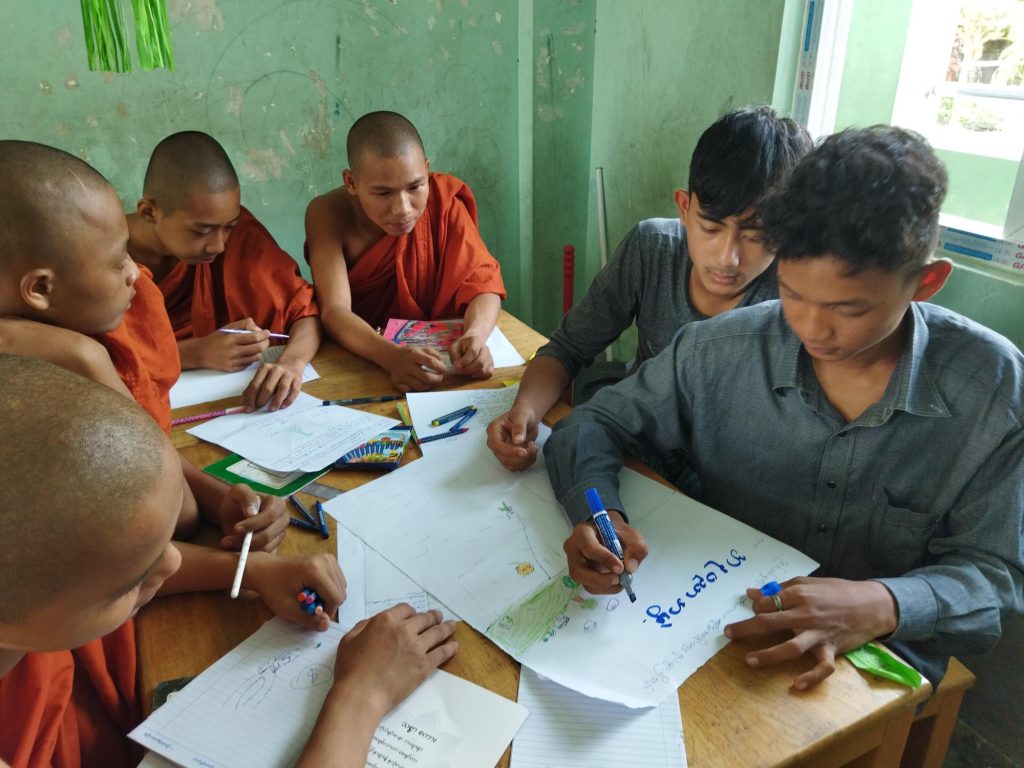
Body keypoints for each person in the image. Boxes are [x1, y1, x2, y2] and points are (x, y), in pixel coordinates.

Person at [543, 126, 1024, 689]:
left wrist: (882, 602)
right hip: (713, 627)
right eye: (794, 294)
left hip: (874, 663)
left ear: (925, 282)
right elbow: (593, 423)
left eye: (849, 308)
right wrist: (599, 515)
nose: (813, 328)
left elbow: (995, 576)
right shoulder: (721, 349)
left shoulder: (994, 392)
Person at [0, 355, 457, 768]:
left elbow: (93, 576)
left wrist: (258, 570)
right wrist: (363, 695)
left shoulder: (34, 602)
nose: (174, 562)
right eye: (134, 581)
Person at [488, 106, 812, 471]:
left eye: (756, 235)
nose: (728, 257)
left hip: (726, 482)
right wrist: (525, 411)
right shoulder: (652, 249)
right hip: (638, 454)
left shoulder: (795, 299)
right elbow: (568, 347)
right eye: (710, 228)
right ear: (685, 209)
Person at [0, 140, 288, 550]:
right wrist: (89, 359)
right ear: (41, 288)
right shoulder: (43, 374)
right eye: (118, 260)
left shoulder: (107, 316)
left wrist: (221, 498)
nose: (135, 272)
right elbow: (173, 515)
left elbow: (156, 453)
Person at [305, 110, 507, 393]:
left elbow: (482, 284)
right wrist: (390, 357)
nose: (403, 208)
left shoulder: (443, 199)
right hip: (365, 360)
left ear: (426, 169)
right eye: (383, 193)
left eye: (415, 187)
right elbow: (335, 310)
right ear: (351, 183)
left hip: (441, 365)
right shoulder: (327, 214)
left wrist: (475, 336)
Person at [128, 131, 322, 412]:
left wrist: (291, 363)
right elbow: (84, 359)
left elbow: (306, 314)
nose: (218, 246)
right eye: (201, 231)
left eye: (228, 227)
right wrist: (195, 353)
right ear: (149, 212)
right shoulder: (102, 255)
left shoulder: (239, 236)